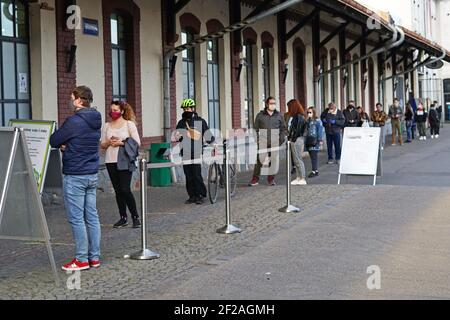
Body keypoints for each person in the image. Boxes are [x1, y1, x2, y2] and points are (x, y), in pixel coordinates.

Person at [50, 86, 102, 271]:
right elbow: (84, 142)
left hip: (75, 175)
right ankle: (94, 258)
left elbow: (54, 140)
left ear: (79, 100)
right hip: (92, 173)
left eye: (72, 98)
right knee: (92, 217)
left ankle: (81, 259)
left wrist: (67, 147)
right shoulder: (97, 119)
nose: (70, 101)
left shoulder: (73, 121)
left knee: (77, 218)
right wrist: (70, 146)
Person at [101, 101, 141, 229]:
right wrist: (109, 142)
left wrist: (121, 143)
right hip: (110, 160)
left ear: (122, 111)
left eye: (116, 110)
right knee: (118, 190)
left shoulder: (129, 125)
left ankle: (135, 216)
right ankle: (123, 217)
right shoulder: (106, 126)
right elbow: (102, 145)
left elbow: (137, 142)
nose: (113, 112)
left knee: (125, 188)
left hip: (124, 160)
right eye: (112, 109)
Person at [174, 99, 213, 205]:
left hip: (196, 151)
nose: (186, 110)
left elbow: (208, 136)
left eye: (188, 108)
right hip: (185, 151)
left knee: (196, 174)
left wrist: (214, 144)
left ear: (193, 109)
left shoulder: (200, 121)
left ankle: (200, 194)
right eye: (184, 109)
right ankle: (192, 195)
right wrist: (178, 136)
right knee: (188, 175)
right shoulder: (181, 123)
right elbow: (176, 137)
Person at [249, 97, 287, 186]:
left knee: (273, 161)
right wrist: (257, 140)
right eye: (271, 103)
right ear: (266, 104)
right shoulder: (260, 115)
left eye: (274, 103)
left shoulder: (279, 115)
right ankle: (255, 179)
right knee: (259, 160)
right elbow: (255, 129)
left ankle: (271, 179)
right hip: (262, 142)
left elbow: (283, 129)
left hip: (275, 142)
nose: (273, 105)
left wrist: (280, 140)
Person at [286, 99, 307, 185]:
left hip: (296, 139)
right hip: (296, 139)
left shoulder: (298, 117)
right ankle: (299, 177)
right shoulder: (298, 116)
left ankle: (302, 177)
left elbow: (297, 130)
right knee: (296, 159)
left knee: (298, 159)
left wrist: (292, 139)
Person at [305, 107, 324, 178]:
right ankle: (315, 170)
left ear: (313, 113)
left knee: (314, 156)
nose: (309, 114)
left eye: (310, 112)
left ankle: (314, 170)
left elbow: (320, 130)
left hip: (315, 141)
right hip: (309, 140)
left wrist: (320, 140)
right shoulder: (307, 121)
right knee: (312, 156)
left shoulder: (317, 121)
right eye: (308, 112)